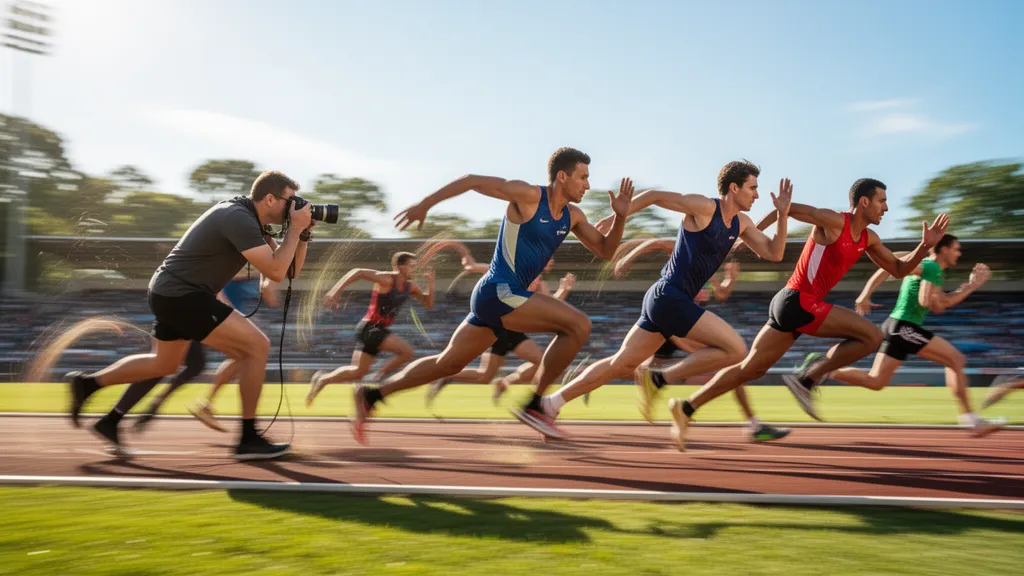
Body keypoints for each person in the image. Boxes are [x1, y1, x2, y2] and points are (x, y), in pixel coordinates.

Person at [349, 147, 634, 443]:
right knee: (578, 325)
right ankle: (536, 405)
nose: (587, 185)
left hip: (504, 299)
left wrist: (620, 218)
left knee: (448, 364)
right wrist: (425, 204)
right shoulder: (528, 196)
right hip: (498, 292)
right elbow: (472, 180)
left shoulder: (573, 216)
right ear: (562, 176)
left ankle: (371, 395)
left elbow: (605, 251)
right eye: (583, 177)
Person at [666, 178, 949, 451]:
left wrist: (924, 247)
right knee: (873, 336)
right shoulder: (834, 221)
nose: (886, 207)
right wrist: (747, 235)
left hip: (795, 307)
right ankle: (808, 378)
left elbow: (898, 270)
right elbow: (788, 210)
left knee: (751, 368)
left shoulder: (868, 238)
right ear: (864, 201)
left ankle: (687, 406)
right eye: (882, 201)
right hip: (797, 301)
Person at [529, 161, 793, 439]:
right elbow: (656, 195)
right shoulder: (704, 208)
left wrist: (783, 215)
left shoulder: (742, 224)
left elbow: (774, 253)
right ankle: (659, 379)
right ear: (734, 187)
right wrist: (618, 216)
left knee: (621, 364)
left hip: (665, 301)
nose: (757, 195)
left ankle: (549, 405)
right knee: (736, 350)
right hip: (670, 296)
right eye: (753, 188)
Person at [66, 170, 314, 460]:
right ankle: (248, 438)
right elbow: (274, 270)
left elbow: (289, 271)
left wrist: (303, 234)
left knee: (164, 363)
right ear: (270, 198)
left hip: (172, 293)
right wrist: (294, 230)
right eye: (291, 201)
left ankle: (91, 388)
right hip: (183, 294)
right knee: (256, 347)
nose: (295, 206)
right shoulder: (237, 217)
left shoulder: (253, 222)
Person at [820, 234, 1003, 435]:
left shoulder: (930, 268)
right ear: (944, 249)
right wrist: (865, 295)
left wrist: (970, 286)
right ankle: (971, 420)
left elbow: (937, 299)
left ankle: (822, 368)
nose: (959, 254)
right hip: (903, 327)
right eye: (956, 249)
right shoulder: (931, 267)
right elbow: (927, 301)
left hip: (894, 326)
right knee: (955, 360)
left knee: (876, 381)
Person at [613, 245, 789, 442]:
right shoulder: (688, 248)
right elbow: (657, 242)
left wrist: (731, 279)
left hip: (689, 322)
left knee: (631, 365)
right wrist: (629, 257)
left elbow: (720, 293)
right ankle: (650, 383)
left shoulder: (706, 267)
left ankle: (752, 423)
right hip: (675, 321)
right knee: (730, 359)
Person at [422, 241, 576, 406]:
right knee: (538, 362)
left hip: (510, 329)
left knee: (485, 376)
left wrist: (564, 289)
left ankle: (452, 377)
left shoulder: (539, 283)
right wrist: (462, 251)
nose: (551, 261)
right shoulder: (509, 271)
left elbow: (551, 304)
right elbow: (471, 266)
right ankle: (517, 390)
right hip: (499, 327)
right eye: (548, 258)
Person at [305, 252, 436, 406]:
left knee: (357, 371)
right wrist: (335, 291)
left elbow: (428, 304)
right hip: (371, 327)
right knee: (407, 352)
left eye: (414, 266)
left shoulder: (410, 286)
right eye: (411, 265)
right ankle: (376, 378)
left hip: (377, 329)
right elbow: (358, 272)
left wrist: (431, 284)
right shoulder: (387, 279)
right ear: (400, 266)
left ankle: (323, 378)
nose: (414, 269)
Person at [187, 273, 282, 433]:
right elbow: (271, 296)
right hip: (222, 313)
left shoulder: (248, 263)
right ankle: (248, 427)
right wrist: (271, 277)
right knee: (251, 354)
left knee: (241, 358)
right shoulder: (254, 262)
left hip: (221, 311)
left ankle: (207, 403)